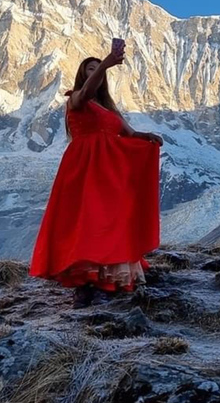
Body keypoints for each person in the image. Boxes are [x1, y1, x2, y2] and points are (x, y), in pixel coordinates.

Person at [29, 45, 163, 308]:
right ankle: (84, 283)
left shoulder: (109, 110)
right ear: (84, 75)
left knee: (110, 218)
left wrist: (146, 138)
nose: (96, 71)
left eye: (97, 68)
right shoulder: (77, 98)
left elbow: (129, 133)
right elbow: (88, 90)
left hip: (109, 168)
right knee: (87, 218)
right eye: (90, 68)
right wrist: (107, 63)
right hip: (84, 167)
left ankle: (106, 275)